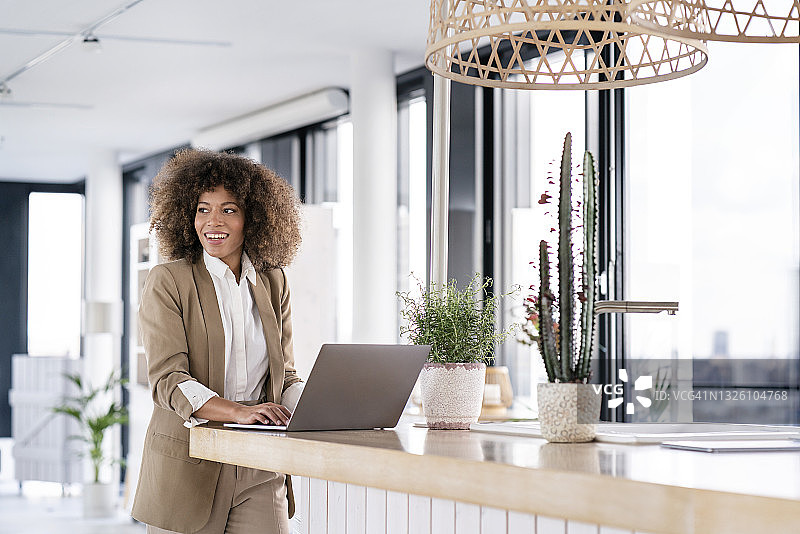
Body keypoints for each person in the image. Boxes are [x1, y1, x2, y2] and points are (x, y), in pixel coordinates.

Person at [131, 148, 304, 534]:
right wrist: (238, 411)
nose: (213, 221)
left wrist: (319, 406)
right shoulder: (168, 281)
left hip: (260, 463)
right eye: (202, 209)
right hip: (189, 466)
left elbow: (285, 376)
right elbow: (168, 381)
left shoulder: (274, 281)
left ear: (253, 218)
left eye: (229, 209)